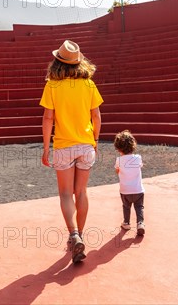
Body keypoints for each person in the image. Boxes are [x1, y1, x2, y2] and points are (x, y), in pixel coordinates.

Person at [40, 40, 103, 263]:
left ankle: (73, 234)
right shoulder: (89, 85)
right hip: (86, 145)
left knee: (66, 194)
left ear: (58, 62)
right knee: (81, 192)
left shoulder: (52, 86)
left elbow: (48, 118)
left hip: (64, 146)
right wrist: (94, 139)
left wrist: (46, 148)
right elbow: (96, 116)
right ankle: (81, 235)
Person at [113, 130, 145, 236]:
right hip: (138, 189)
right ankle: (140, 223)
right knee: (139, 206)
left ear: (118, 148)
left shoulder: (119, 160)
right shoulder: (138, 158)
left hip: (125, 190)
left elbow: (117, 170)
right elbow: (141, 166)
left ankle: (126, 223)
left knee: (126, 206)